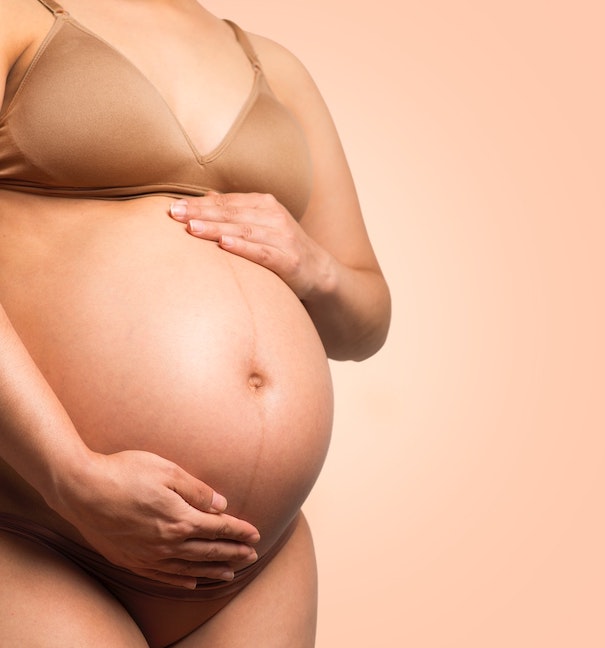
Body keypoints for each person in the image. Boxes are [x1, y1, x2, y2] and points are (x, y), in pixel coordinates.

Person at [0, 0, 390, 645]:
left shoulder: (276, 66)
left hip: (256, 558)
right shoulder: (17, 20)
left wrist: (314, 267)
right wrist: (69, 478)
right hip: (38, 521)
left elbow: (365, 325)